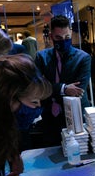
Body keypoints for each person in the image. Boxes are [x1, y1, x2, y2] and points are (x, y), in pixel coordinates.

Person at [34, 14, 91, 147]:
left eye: (67, 37)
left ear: (70, 33)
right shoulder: (41, 57)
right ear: (51, 36)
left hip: (76, 114)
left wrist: (49, 88)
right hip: (49, 115)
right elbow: (36, 86)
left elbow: (78, 91)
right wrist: (64, 88)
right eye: (58, 38)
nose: (63, 41)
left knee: (78, 153)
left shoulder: (83, 58)